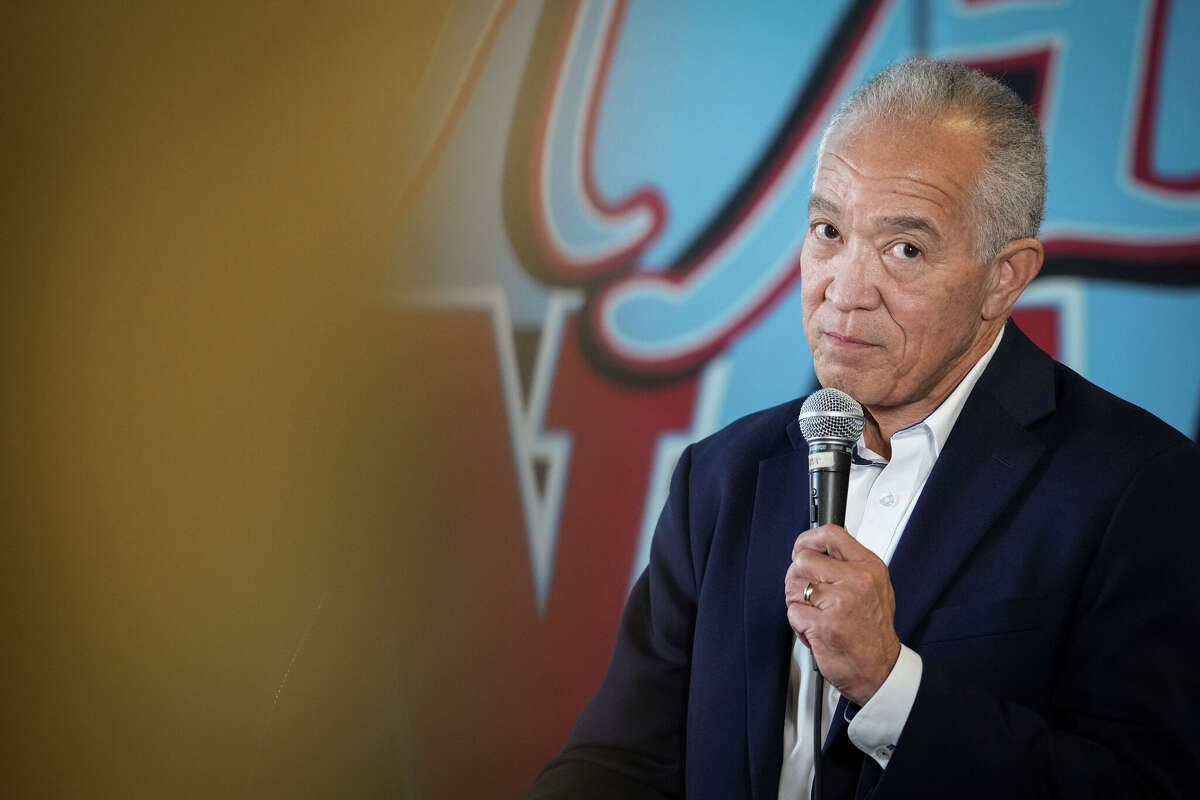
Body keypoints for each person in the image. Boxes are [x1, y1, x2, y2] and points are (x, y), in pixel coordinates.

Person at [526, 58, 1200, 799]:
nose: (843, 291)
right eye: (827, 230)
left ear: (1004, 277)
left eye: (903, 249)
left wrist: (889, 683)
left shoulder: (1138, 486)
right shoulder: (721, 476)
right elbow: (619, 762)